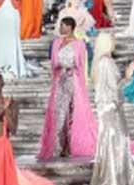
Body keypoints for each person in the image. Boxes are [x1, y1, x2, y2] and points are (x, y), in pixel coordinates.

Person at [89, 33, 134, 185]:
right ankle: (113, 181)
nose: (115, 42)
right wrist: (128, 75)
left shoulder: (103, 62)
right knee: (116, 141)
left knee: (112, 141)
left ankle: (117, 180)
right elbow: (114, 88)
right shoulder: (105, 62)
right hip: (110, 108)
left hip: (109, 107)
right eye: (112, 39)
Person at [37, 18, 97, 161]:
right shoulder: (57, 42)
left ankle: (71, 145)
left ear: (70, 27)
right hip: (59, 81)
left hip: (73, 80)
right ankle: (60, 145)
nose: (60, 28)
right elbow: (53, 63)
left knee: (73, 112)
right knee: (59, 113)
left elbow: (81, 65)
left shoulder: (79, 44)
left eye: (62, 26)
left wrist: (80, 82)